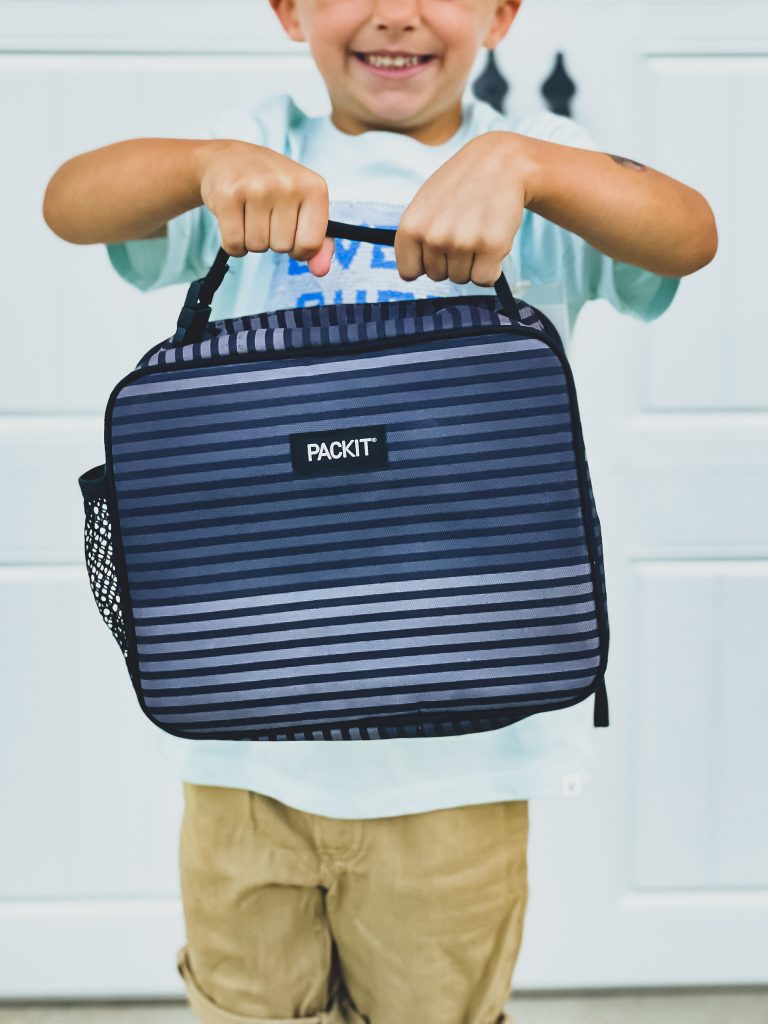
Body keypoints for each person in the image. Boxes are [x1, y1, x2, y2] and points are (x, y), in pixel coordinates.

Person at [42, 0, 717, 1021]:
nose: (396, 13)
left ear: (500, 14)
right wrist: (203, 166)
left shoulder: (536, 166)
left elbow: (688, 236)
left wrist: (532, 166)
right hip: (246, 750)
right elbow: (70, 201)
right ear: (288, 10)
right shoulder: (258, 142)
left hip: (463, 757)